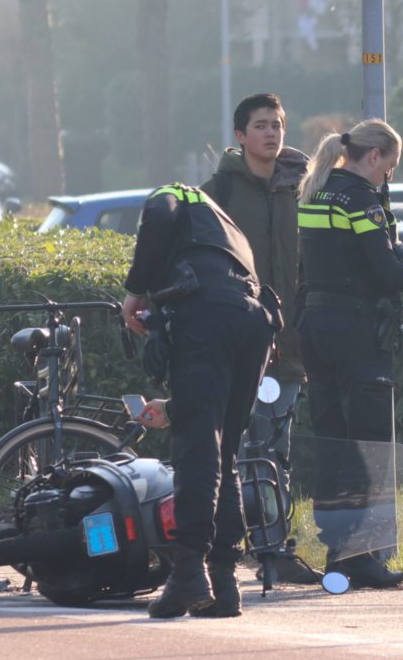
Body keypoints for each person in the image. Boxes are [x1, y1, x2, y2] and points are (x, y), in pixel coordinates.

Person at [121, 183, 277, 619]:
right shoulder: (226, 226)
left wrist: (135, 291)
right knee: (224, 451)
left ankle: (188, 572)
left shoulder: (172, 195)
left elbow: (161, 215)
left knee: (197, 448)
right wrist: (174, 407)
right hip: (254, 323)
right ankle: (224, 583)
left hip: (205, 317)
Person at [296, 118, 403, 588]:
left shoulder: (316, 193)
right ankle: (361, 555)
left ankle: (336, 548)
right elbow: (385, 271)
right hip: (357, 332)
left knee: (333, 442)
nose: (388, 179)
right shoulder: (360, 199)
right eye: (389, 168)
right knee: (370, 445)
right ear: (374, 156)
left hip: (316, 327)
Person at [200, 93, 312, 582]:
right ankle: (233, 542)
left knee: (275, 447)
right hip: (238, 340)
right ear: (240, 136)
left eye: (278, 124)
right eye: (261, 125)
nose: (271, 133)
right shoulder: (218, 192)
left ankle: (272, 546)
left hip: (292, 345)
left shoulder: (303, 189)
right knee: (237, 447)